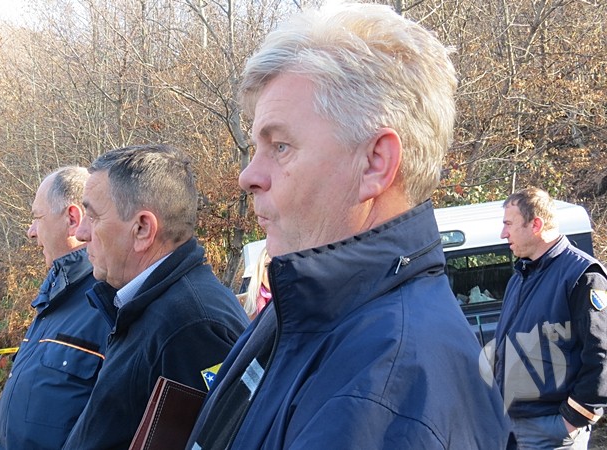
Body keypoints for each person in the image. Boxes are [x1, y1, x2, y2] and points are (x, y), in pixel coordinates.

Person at [186, 2, 513, 449]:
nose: (249, 176)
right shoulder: (301, 312)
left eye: (280, 146)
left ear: (375, 163)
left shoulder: (389, 390)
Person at [61, 144, 249, 450]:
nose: (81, 233)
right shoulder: (152, 307)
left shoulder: (192, 326)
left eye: (92, 217)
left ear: (142, 229)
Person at [0, 167, 111, 450]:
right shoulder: (53, 297)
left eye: (37, 218)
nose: (30, 232)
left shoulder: (107, 302)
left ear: (72, 219)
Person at [492, 187, 607, 449]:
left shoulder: (582, 275)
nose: (503, 234)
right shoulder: (520, 276)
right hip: (512, 425)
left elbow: (601, 354)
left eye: (508, 224)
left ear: (536, 225)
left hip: (552, 428)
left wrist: (573, 418)